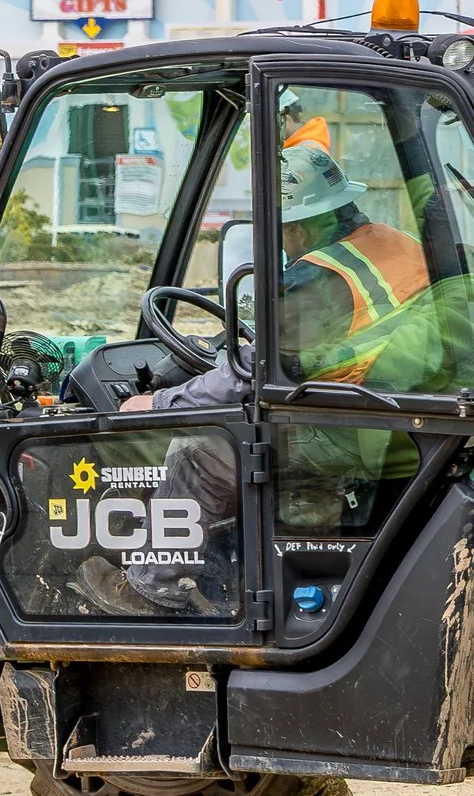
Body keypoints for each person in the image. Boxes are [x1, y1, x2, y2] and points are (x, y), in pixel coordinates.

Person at [99, 140, 431, 614]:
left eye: (278, 228)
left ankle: (153, 590)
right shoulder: (394, 243)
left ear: (295, 224)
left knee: (197, 452)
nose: (277, 240)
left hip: (348, 429)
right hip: (391, 413)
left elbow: (251, 373)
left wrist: (157, 403)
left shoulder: (317, 281)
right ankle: (226, 566)